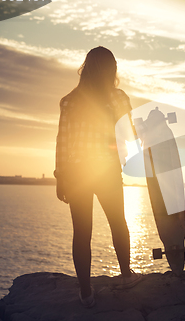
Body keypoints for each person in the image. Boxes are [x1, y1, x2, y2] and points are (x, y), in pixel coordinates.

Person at [54, 46, 142, 307]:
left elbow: (63, 141)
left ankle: (85, 292)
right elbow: (130, 134)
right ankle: (126, 276)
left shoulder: (69, 100)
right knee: (118, 223)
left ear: (86, 68)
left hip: (76, 174)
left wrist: (60, 177)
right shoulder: (117, 97)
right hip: (106, 171)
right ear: (111, 69)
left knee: (81, 233)